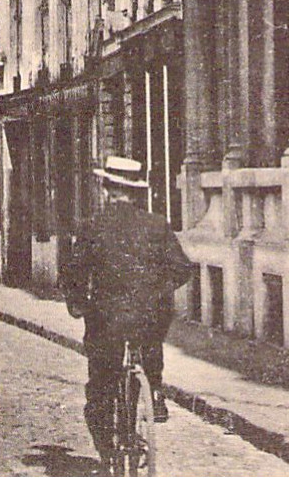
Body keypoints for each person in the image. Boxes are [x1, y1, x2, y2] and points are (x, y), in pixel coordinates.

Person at [63, 155, 193, 474]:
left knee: (99, 390)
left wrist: (77, 304)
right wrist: (159, 290)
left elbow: (75, 274)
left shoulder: (91, 227)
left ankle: (108, 455)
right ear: (135, 193)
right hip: (148, 318)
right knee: (150, 343)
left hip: (107, 321)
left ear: (106, 188)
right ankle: (156, 392)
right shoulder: (156, 224)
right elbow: (182, 269)